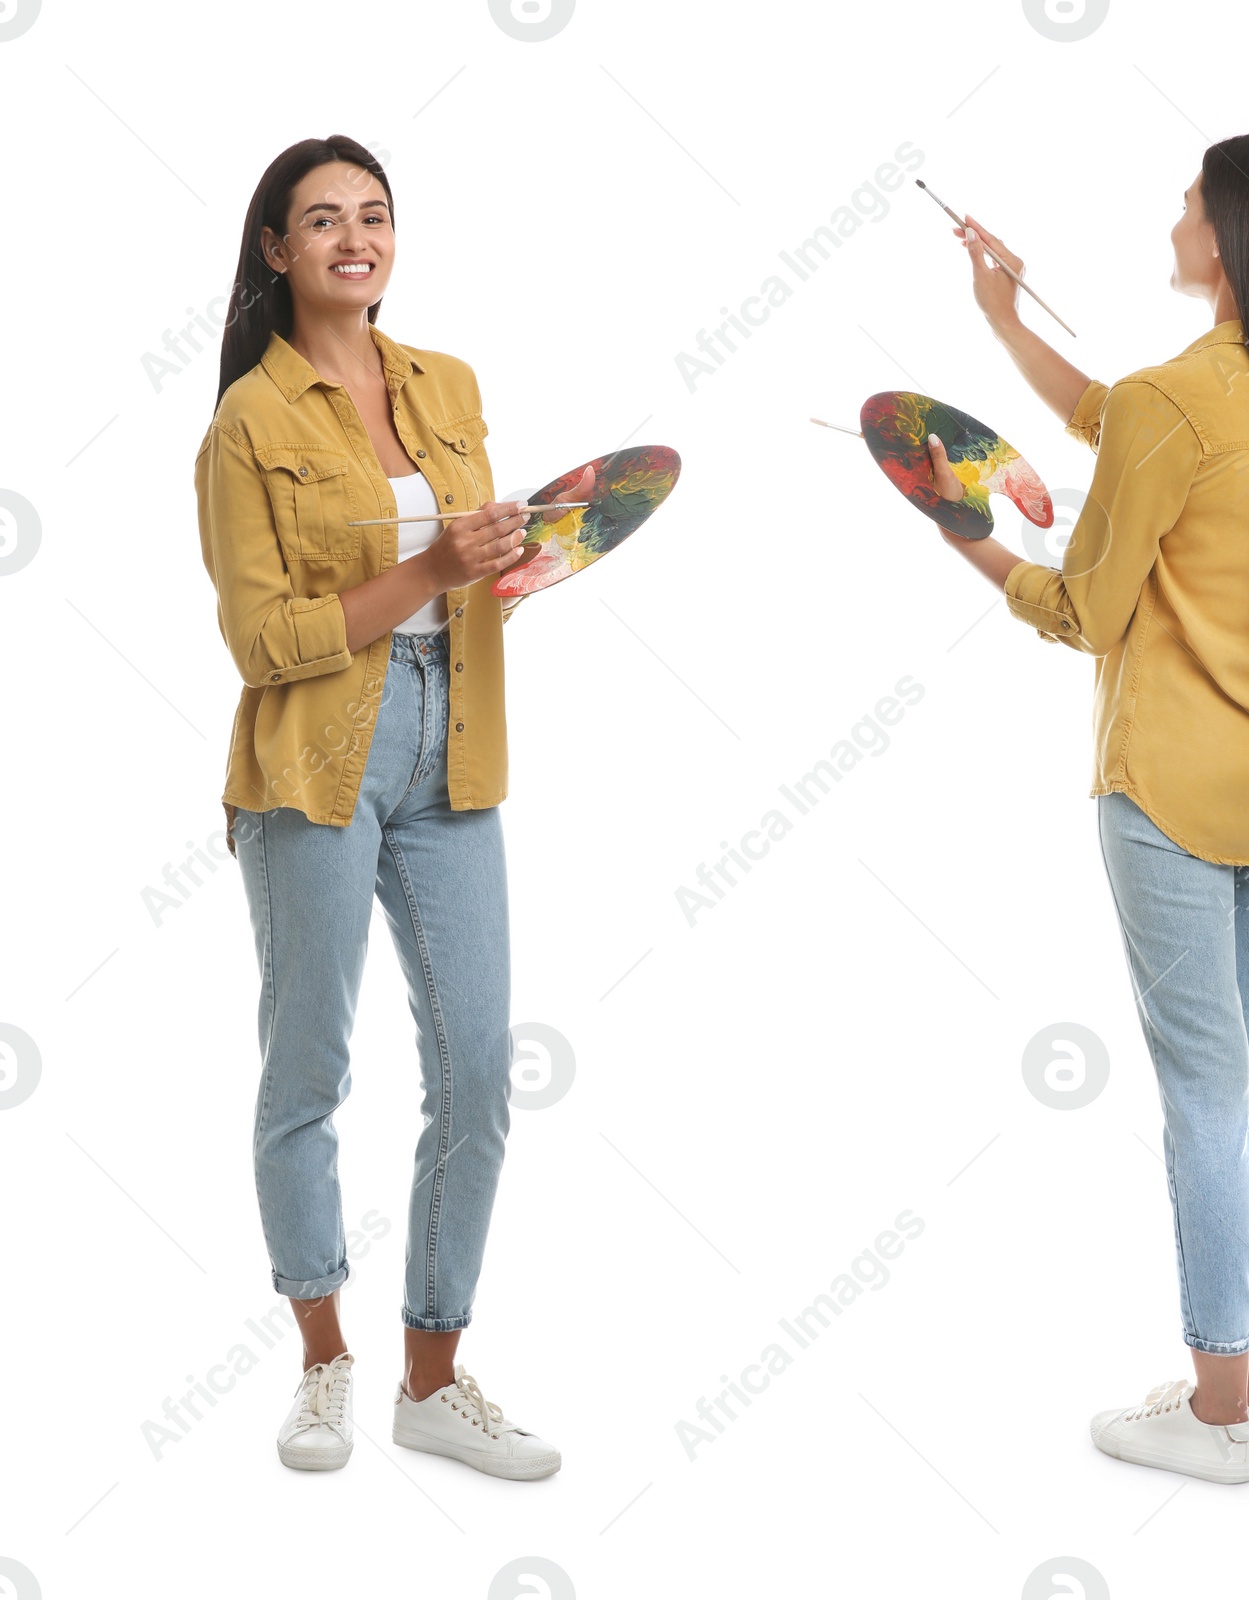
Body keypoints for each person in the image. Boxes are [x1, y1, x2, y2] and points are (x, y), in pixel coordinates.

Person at [929, 133, 1249, 1484]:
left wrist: (973, 543)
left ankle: (1210, 1415)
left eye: (1191, 206)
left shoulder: (1172, 402)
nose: (1175, 218)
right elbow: (1126, 424)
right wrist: (1003, 323)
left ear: (1233, 244)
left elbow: (1083, 608)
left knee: (1200, 1097)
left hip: (1172, 801)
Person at [195, 134, 591, 1479]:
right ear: (277, 250)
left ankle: (434, 1378)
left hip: (454, 752)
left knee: (481, 1068)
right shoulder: (249, 421)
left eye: (373, 215)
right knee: (308, 1073)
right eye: (322, 221)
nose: (353, 238)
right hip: (314, 761)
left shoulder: (449, 383)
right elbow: (265, 642)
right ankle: (323, 1364)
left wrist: (511, 560)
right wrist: (431, 570)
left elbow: (466, 566)